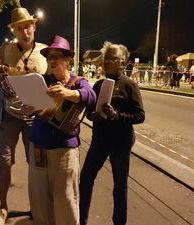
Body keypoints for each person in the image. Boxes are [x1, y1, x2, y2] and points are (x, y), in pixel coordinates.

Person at [0, 7, 48, 225]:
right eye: (19, 28)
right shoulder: (5, 49)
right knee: (4, 163)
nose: (24, 32)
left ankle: (36, 207)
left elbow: (51, 84)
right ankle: (3, 208)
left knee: (37, 164)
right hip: (8, 116)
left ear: (34, 27)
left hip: (36, 118)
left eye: (27, 27)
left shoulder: (46, 52)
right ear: (14, 31)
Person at [26, 35, 96, 225]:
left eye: (58, 56)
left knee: (66, 202)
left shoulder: (78, 82)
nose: (53, 60)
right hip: (38, 149)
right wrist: (29, 107)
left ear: (68, 59)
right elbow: (33, 108)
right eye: (50, 56)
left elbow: (91, 97)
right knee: (40, 203)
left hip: (64, 153)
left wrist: (69, 93)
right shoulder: (41, 80)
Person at [79, 41, 145, 225]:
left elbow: (140, 116)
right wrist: (93, 115)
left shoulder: (129, 85)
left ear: (123, 63)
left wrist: (116, 115)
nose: (106, 61)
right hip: (99, 141)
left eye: (112, 58)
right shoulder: (98, 84)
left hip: (120, 143)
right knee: (85, 179)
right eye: (105, 58)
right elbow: (90, 113)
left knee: (119, 187)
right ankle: (81, 219)